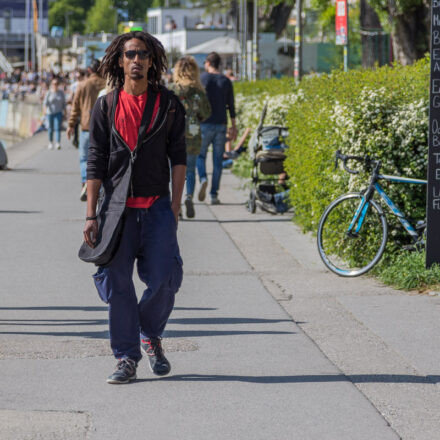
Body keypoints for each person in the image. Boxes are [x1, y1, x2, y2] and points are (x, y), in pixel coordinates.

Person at [84, 31, 186, 384]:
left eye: (143, 54)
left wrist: (174, 207)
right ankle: (126, 357)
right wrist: (90, 214)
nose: (137, 59)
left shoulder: (169, 105)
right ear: (120, 60)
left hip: (157, 207)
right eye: (131, 54)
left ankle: (150, 333)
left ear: (152, 61)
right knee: (117, 282)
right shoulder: (106, 105)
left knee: (165, 279)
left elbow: (179, 159)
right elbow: (94, 160)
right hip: (116, 210)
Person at [169, 56, 211, 218]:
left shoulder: (172, 89)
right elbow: (207, 113)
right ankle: (189, 197)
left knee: (174, 171)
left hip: (173, 137)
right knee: (191, 170)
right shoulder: (198, 92)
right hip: (193, 136)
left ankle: (176, 203)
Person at [198, 52, 237, 205]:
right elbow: (231, 106)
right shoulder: (226, 81)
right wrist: (233, 126)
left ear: (208, 63)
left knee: (200, 156)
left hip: (204, 124)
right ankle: (214, 194)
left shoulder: (202, 79)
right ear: (219, 64)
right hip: (221, 124)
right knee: (218, 161)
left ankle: (202, 178)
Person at [67, 60, 106, 201]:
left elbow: (75, 106)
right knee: (101, 158)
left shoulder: (83, 85)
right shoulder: (106, 84)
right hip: (103, 127)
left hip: (86, 126)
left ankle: (85, 181)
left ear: (89, 70)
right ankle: (98, 186)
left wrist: (71, 124)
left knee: (85, 158)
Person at [43, 78, 65, 150]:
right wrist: (45, 111)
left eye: (56, 84)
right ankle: (50, 142)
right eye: (54, 84)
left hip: (58, 112)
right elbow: (45, 103)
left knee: (58, 128)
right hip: (50, 113)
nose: (55, 85)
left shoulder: (61, 93)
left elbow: (63, 103)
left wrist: (65, 113)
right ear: (51, 85)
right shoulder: (49, 93)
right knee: (50, 128)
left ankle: (58, 143)